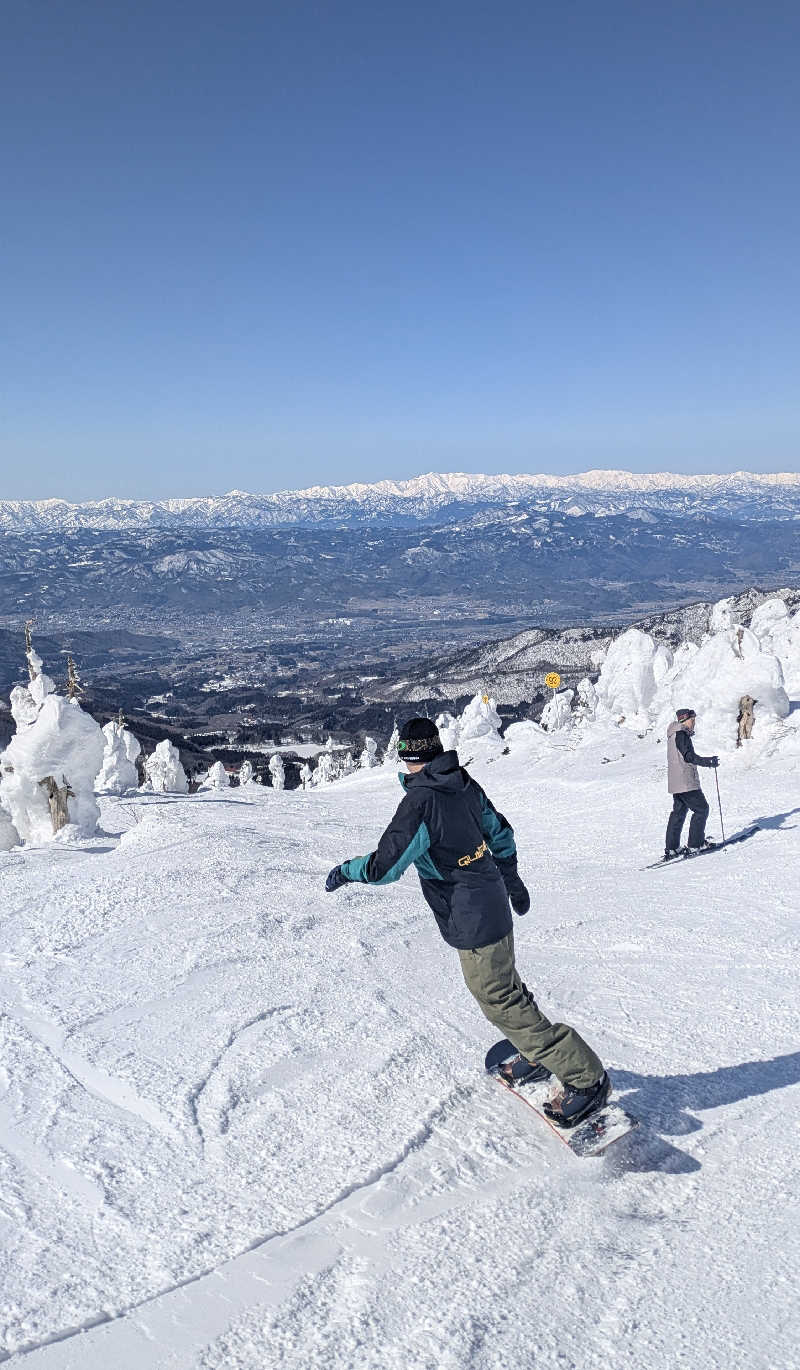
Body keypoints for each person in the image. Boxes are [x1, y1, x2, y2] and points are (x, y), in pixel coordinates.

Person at [325, 717, 609, 1128]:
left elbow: (384, 868)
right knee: (507, 987)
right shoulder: (460, 782)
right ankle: (534, 1053)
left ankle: (586, 1078)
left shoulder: (420, 802)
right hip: (490, 898)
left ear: (406, 755)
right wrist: (511, 879)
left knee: (497, 997)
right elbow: (500, 833)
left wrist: (345, 871)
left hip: (470, 914)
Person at [665, 708, 719, 859]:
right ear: (684, 720)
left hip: (676, 782)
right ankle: (696, 844)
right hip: (686, 781)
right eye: (692, 720)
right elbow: (688, 757)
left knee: (679, 813)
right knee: (702, 809)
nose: (694, 723)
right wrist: (708, 761)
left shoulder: (673, 734)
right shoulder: (681, 734)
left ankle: (672, 848)